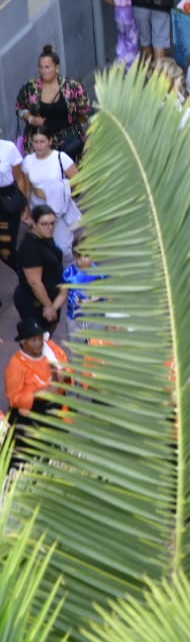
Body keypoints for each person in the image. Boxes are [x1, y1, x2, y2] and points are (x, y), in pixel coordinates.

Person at [17, 46, 92, 161]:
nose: (43, 71)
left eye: (47, 67)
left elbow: (84, 112)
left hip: (68, 142)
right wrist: (31, 119)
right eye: (40, 67)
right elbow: (20, 108)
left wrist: (84, 137)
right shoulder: (31, 88)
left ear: (56, 68)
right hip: (40, 144)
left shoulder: (72, 87)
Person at [20, 129, 78, 256]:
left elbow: (77, 180)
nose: (39, 145)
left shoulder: (60, 158)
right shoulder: (28, 161)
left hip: (59, 210)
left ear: (50, 141)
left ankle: (68, 272)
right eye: (35, 142)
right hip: (38, 209)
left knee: (64, 248)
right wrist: (26, 211)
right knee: (43, 247)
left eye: (42, 141)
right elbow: (27, 189)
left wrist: (62, 191)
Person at [5, 314, 68, 429]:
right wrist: (38, 394)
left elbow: (66, 372)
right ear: (23, 343)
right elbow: (14, 398)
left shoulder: (50, 354)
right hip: (32, 418)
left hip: (56, 411)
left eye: (40, 338)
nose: (38, 343)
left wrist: (64, 375)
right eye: (33, 340)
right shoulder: (16, 364)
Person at [13, 205, 67, 333]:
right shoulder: (31, 247)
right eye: (44, 224)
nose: (50, 228)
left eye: (53, 223)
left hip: (51, 298)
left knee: (47, 337)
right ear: (34, 223)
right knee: (37, 339)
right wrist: (49, 306)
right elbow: (35, 282)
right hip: (35, 303)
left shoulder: (46, 238)